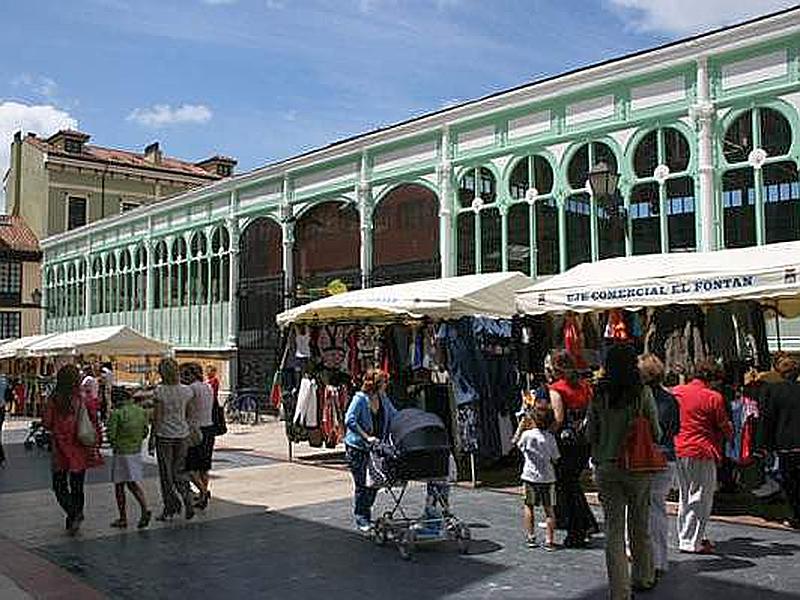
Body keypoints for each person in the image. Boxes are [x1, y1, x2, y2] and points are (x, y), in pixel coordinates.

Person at [588, 343, 660, 600]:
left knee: (613, 530)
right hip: (637, 466)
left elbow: (590, 433)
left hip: (606, 466)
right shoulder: (642, 392)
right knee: (640, 524)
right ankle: (643, 576)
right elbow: (656, 431)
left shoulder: (599, 393)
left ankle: (619, 590)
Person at [672, 360, 733, 554]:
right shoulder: (713, 397)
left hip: (678, 447)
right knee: (700, 496)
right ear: (713, 379)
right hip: (701, 449)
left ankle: (686, 535)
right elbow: (724, 426)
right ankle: (691, 541)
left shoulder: (677, 392)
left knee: (685, 495)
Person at [42, 364, 103, 535]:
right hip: (79, 445)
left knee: (59, 484)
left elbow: (46, 422)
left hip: (60, 447)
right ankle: (75, 515)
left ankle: (73, 514)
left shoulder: (54, 399)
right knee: (77, 485)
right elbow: (93, 420)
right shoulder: (82, 398)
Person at [549, 351, 598, 547]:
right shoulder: (585, 386)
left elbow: (559, 418)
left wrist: (546, 434)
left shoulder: (557, 389)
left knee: (566, 484)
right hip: (583, 441)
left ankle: (578, 527)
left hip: (567, 442)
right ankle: (584, 523)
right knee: (573, 483)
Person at [639, 354, 680, 579]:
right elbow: (675, 430)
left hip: (642, 459)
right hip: (665, 458)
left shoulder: (637, 400)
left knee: (638, 509)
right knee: (657, 509)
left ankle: (642, 556)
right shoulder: (670, 399)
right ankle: (659, 559)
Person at [344, 369, 397, 532]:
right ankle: (362, 517)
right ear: (375, 384)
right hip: (358, 448)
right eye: (384, 383)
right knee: (362, 484)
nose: (386, 386)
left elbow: (394, 414)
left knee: (374, 482)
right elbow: (349, 420)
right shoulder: (360, 399)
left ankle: (366, 511)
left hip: (376, 448)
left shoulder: (383, 398)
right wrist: (366, 436)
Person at [757, 357, 800, 529]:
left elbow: (767, 419)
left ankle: (797, 515)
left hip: (786, 444)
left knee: (791, 481)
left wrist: (763, 445)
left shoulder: (773, 391)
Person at [152, 358, 195, 521]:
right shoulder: (186, 390)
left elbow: (157, 417)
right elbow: (189, 414)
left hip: (164, 435)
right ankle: (187, 499)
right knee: (180, 470)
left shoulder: (160, 391)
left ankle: (170, 507)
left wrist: (151, 437)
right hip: (182, 434)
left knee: (166, 474)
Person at [514, 405, 560, 550]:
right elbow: (556, 457)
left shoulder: (527, 435)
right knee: (549, 510)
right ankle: (549, 540)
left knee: (529, 506)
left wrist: (521, 428)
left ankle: (531, 537)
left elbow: (516, 443)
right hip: (547, 477)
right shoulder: (550, 438)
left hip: (530, 476)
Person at [106, 387, 151, 529]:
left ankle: (123, 517)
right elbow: (145, 431)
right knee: (133, 483)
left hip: (121, 452)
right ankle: (144, 507)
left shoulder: (117, 414)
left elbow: (111, 435)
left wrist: (115, 442)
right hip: (136, 452)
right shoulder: (140, 411)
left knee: (119, 486)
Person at [185, 363, 215, 510]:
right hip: (209, 428)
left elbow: (187, 408)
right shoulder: (207, 387)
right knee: (204, 466)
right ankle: (203, 495)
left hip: (196, 430)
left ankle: (203, 492)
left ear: (191, 375)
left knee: (190, 468)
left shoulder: (191, 389)